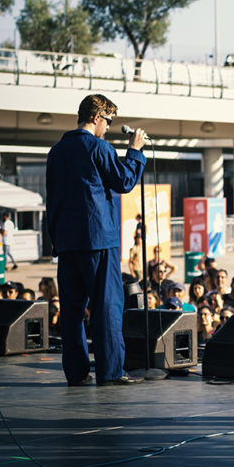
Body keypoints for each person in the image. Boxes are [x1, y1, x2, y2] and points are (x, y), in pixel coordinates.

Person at [46, 94, 146, 386]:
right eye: (109, 121)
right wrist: (135, 151)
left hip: (66, 242)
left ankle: (76, 373)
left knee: (72, 312)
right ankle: (111, 371)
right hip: (98, 240)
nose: (109, 127)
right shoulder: (98, 147)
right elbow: (124, 181)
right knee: (107, 307)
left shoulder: (56, 151)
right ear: (96, 117)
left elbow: (52, 198)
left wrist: (56, 238)